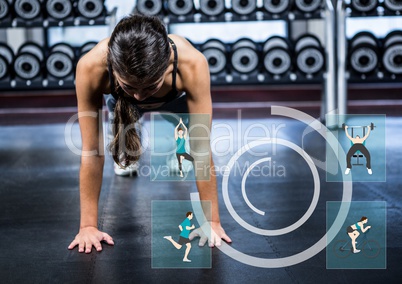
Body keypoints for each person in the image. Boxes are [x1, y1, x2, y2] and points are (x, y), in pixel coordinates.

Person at [68, 14, 231, 254]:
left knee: (187, 150)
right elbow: (91, 152)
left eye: (150, 86)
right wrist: (88, 226)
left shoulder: (192, 64)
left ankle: (176, 144)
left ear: (166, 64)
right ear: (113, 67)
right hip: (122, 105)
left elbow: (202, 147)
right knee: (125, 158)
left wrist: (212, 222)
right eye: (130, 86)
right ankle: (127, 129)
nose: (141, 96)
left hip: (176, 104)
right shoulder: (91, 66)